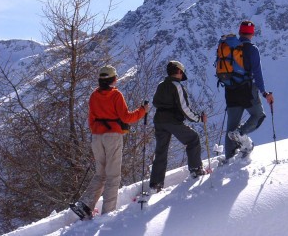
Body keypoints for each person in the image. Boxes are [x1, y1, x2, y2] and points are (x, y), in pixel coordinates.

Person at [71, 65, 149, 219]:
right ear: (113, 79)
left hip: (97, 137)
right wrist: (142, 111)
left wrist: (97, 130)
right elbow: (126, 117)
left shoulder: (94, 95)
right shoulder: (116, 95)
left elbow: (91, 119)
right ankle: (108, 214)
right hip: (112, 137)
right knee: (113, 176)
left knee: (100, 173)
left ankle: (85, 204)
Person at [149, 60, 208, 192]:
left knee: (161, 152)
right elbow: (184, 108)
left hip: (159, 120)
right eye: (182, 73)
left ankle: (156, 184)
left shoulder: (161, 85)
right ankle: (196, 169)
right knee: (193, 138)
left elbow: (155, 102)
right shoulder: (177, 86)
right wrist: (199, 118)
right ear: (179, 71)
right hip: (172, 121)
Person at [224, 21, 274, 160]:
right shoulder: (252, 49)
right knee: (259, 115)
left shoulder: (230, 48)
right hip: (247, 90)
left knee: (231, 126)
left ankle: (229, 157)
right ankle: (240, 133)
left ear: (240, 32)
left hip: (230, 90)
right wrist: (264, 93)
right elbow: (257, 73)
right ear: (252, 33)